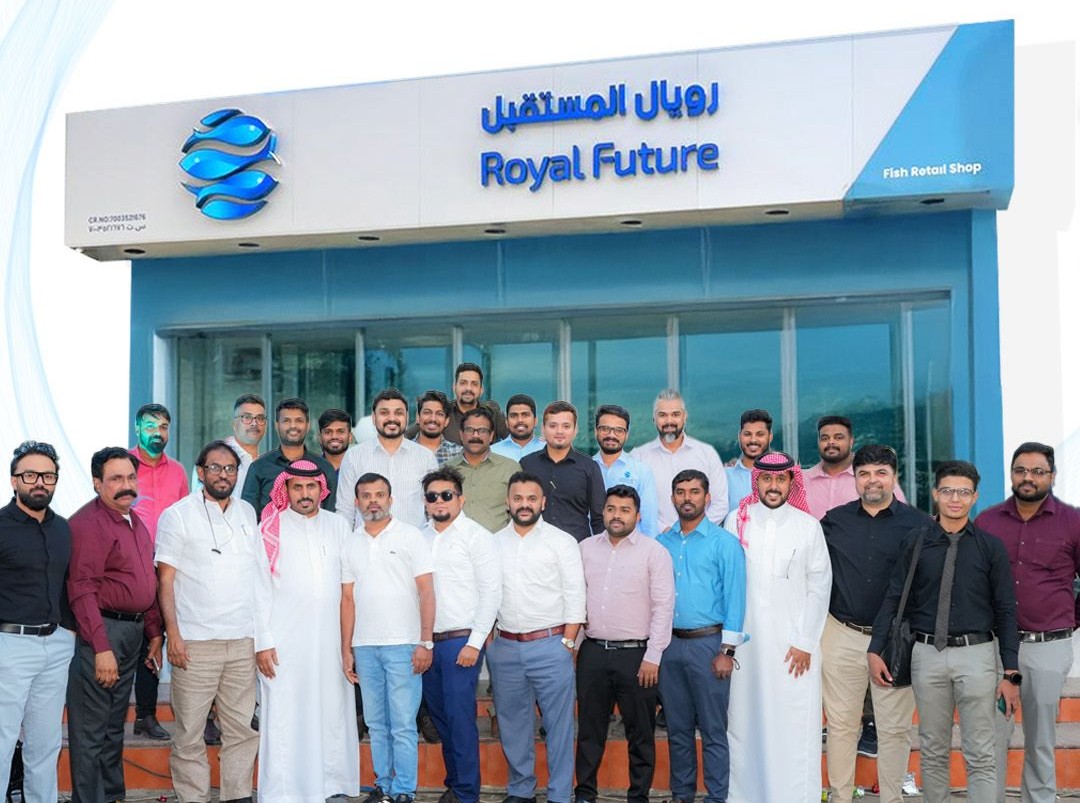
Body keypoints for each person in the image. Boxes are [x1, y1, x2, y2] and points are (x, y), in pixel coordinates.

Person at [869, 461, 1020, 803]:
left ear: (975, 497)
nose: (955, 498)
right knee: (933, 749)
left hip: (977, 656)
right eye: (948, 490)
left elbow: (1006, 610)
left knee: (980, 752)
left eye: (963, 492)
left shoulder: (990, 547)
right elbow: (895, 596)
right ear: (936, 494)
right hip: (927, 655)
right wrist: (875, 648)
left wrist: (1011, 672)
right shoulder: (916, 542)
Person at [155, 440, 270, 803]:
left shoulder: (247, 512)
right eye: (215, 468)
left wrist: (261, 637)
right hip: (195, 643)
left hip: (242, 641)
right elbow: (165, 581)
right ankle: (193, 797)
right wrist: (173, 634)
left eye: (230, 469)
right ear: (200, 472)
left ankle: (237, 795)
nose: (223, 475)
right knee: (189, 732)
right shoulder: (177, 515)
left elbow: (258, 577)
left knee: (242, 730)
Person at [820, 445, 929, 803]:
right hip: (841, 633)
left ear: (894, 477)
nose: (872, 480)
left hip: (896, 640)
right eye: (864, 473)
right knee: (841, 726)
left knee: (894, 729)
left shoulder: (920, 525)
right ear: (854, 478)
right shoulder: (833, 522)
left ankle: (892, 798)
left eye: (881, 472)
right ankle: (840, 796)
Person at [724, 452, 832, 803]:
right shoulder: (736, 520)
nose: (773, 486)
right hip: (747, 648)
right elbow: (728, 584)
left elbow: (820, 587)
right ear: (756, 481)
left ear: (791, 482)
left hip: (793, 649)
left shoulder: (808, 526)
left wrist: (804, 641)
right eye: (767, 479)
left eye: (781, 479)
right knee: (747, 726)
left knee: (793, 726)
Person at [975, 442, 1080, 803]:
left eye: (1037, 471)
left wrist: (1069, 620)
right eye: (1020, 470)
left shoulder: (1073, 522)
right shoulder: (987, 521)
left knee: (1040, 739)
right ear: (1011, 474)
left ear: (1052, 476)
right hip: (994, 647)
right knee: (992, 735)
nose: (1028, 478)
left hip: (1047, 647)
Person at [255, 460, 359, 803]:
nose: (304, 493)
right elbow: (258, 589)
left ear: (321, 489)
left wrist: (349, 643)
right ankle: (284, 791)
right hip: (284, 641)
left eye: (311, 486)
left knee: (332, 710)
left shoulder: (338, 526)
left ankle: (331, 784)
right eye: (297, 487)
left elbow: (349, 587)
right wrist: (263, 642)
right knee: (286, 713)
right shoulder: (270, 528)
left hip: (330, 640)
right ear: (285, 489)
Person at [66, 447, 164, 803]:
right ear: (97, 483)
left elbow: (145, 580)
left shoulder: (134, 520)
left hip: (132, 634)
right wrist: (101, 648)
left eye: (131, 477)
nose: (127, 485)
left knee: (112, 728)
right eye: (116, 478)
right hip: (102, 633)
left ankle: (111, 796)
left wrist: (154, 632)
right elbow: (81, 589)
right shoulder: (88, 524)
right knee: (90, 731)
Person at [488, 471, 586, 803]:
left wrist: (567, 644)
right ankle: (521, 790)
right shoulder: (493, 544)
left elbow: (576, 595)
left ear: (543, 502)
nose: (524, 504)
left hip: (551, 646)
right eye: (518, 498)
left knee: (559, 726)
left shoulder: (562, 541)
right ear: (508, 502)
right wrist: (490, 643)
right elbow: (485, 595)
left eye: (532, 498)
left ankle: (560, 795)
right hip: (505, 647)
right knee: (513, 725)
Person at [341, 472, 435, 803]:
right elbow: (347, 599)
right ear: (357, 502)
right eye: (366, 495)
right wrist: (346, 649)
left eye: (379, 495)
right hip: (365, 646)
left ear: (390, 499)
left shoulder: (411, 536)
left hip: (404, 644)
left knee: (403, 724)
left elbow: (427, 591)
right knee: (376, 723)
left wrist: (425, 642)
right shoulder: (350, 542)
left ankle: (404, 790)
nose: (373, 501)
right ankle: (383, 785)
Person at [577, 485, 674, 803]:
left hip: (637, 656)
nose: (616, 515)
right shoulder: (585, 548)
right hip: (592, 652)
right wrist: (575, 645)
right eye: (611, 509)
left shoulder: (654, 552)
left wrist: (653, 656)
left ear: (638, 515)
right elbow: (577, 599)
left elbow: (663, 607)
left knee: (640, 733)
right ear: (603, 512)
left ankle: (638, 796)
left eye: (624, 510)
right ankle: (585, 793)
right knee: (590, 730)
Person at [657, 470, 745, 803]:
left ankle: (716, 797)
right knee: (677, 729)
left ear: (707, 498)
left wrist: (728, 651)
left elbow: (736, 598)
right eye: (680, 492)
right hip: (669, 646)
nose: (687, 498)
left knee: (713, 729)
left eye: (694, 492)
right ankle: (682, 795)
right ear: (672, 498)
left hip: (710, 646)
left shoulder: (725, 543)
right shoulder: (661, 544)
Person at [419, 467, 501, 803]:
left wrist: (474, 643)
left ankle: (467, 793)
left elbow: (491, 592)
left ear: (460, 499)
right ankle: (455, 784)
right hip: (427, 643)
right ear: (425, 502)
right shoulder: (418, 538)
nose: (439, 501)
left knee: (460, 718)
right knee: (440, 717)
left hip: (460, 641)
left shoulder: (477, 537)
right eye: (432, 496)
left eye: (446, 495)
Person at [0, 441, 76, 803]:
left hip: (56, 646)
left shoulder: (63, 529)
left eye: (48, 475)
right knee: (2, 740)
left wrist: (68, 633)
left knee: (46, 743)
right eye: (30, 475)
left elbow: (68, 584)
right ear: (14, 480)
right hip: (10, 645)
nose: (40, 482)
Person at [129, 402, 189, 740]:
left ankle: (146, 715)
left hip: (167, 567)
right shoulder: (122, 464)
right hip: (128, 567)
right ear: (137, 428)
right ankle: (119, 715)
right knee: (134, 640)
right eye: (150, 426)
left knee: (158, 638)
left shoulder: (178, 472)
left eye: (163, 426)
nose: (157, 432)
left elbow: (186, 517)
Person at [336, 389, 438, 529]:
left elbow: (434, 508)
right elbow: (345, 511)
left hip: (413, 541)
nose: (392, 418)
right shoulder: (354, 456)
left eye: (398, 413)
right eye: (384, 413)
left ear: (407, 417)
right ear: (374, 418)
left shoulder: (425, 457)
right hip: (367, 541)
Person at [631, 389, 728, 531]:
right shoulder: (638, 457)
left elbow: (720, 504)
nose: (669, 421)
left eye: (675, 414)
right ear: (654, 418)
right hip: (655, 539)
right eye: (662, 415)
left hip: (700, 540)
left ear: (685, 417)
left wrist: (693, 531)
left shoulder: (707, 454)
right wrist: (664, 531)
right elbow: (632, 504)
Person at [520, 401, 606, 542]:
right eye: (553, 426)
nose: (559, 431)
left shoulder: (589, 467)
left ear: (575, 430)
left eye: (566, 426)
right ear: (543, 429)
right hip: (534, 546)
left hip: (577, 547)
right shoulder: (527, 464)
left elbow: (599, 518)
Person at [242, 398, 337, 517]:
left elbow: (330, 515)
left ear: (307, 425)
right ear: (277, 425)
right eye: (286, 421)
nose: (293, 426)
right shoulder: (259, 468)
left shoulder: (324, 468)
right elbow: (247, 516)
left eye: (299, 421)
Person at [804, 415, 906, 520]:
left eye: (838, 437)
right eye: (825, 438)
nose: (831, 442)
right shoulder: (802, 481)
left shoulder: (876, 478)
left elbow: (900, 517)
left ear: (851, 441)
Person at [447, 407, 521, 533]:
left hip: (497, 543)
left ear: (491, 435)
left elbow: (520, 511)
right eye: (470, 430)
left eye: (482, 430)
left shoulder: (510, 468)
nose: (475, 435)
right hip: (455, 543)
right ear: (461, 434)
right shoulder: (446, 470)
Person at [591, 404, 660, 537]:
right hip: (592, 546)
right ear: (596, 431)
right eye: (605, 429)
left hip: (631, 547)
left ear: (626, 434)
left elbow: (649, 521)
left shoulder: (641, 472)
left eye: (619, 430)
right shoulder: (585, 468)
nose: (611, 435)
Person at [404, 362, 508, 445]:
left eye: (474, 384)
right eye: (463, 383)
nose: (468, 388)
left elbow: (513, 440)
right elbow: (406, 436)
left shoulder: (493, 413)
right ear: (454, 387)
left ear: (481, 390)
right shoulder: (442, 412)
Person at [190, 394, 268, 500]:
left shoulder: (266, 464)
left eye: (260, 418)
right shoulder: (212, 458)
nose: (254, 423)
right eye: (247, 417)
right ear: (234, 424)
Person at [724, 409, 773, 513]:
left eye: (760, 434)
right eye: (747, 434)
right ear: (739, 436)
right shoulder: (724, 477)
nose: (753, 440)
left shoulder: (783, 476)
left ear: (770, 437)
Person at [413, 390, 464, 466]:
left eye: (439, 414)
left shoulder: (459, 454)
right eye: (427, 412)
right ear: (418, 417)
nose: (433, 419)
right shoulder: (402, 451)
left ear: (446, 421)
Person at [491, 394, 545, 461]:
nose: (520, 420)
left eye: (525, 415)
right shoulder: (492, 452)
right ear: (506, 422)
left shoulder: (547, 449)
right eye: (514, 416)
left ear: (535, 421)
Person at [318, 408, 353, 474]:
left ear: (350, 437)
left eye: (341, 431)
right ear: (320, 437)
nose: (334, 436)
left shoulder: (360, 467)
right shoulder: (311, 468)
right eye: (328, 432)